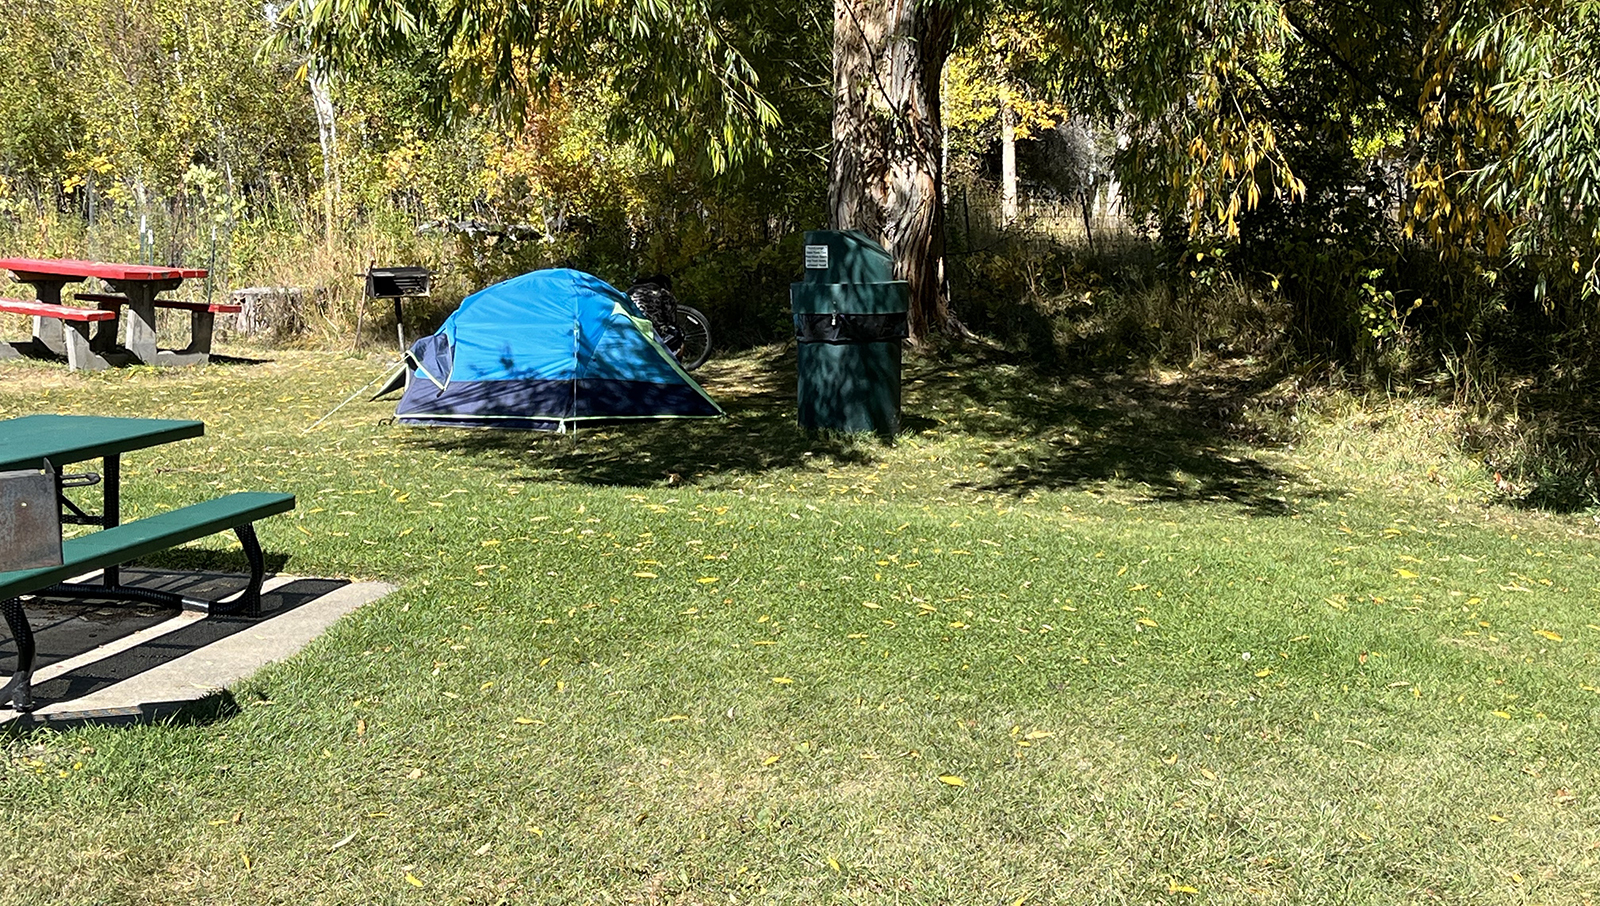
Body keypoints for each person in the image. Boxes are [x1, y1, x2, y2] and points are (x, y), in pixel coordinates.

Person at [628, 273, 684, 357]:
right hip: (653, 333)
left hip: (629, 330)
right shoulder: (663, 293)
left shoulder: (630, 292)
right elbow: (672, 320)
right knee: (679, 333)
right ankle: (674, 364)